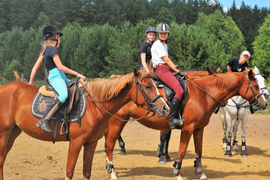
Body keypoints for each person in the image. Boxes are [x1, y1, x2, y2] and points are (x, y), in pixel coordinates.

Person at [29, 25, 86, 133]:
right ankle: (44, 120)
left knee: (80, 86)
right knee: (64, 94)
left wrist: (31, 82)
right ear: (55, 38)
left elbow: (35, 67)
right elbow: (60, 67)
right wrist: (77, 74)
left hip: (62, 77)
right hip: (56, 77)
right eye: (59, 37)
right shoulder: (52, 49)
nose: (60, 40)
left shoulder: (45, 51)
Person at [151, 22, 187, 129]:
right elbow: (166, 59)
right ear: (158, 34)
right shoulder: (157, 44)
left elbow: (166, 61)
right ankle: (172, 119)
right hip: (161, 70)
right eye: (161, 33)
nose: (163, 35)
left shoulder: (164, 45)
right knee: (179, 90)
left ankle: (179, 113)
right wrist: (177, 70)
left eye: (165, 33)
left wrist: (173, 68)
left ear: (168, 34)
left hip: (165, 69)